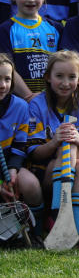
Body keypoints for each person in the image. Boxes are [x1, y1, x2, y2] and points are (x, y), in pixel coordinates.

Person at [17, 51, 79, 237]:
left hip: (72, 171)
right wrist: (55, 141)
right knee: (67, 145)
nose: (66, 83)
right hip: (42, 172)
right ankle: (59, 219)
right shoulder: (37, 105)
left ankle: (74, 230)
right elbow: (34, 153)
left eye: (72, 77)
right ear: (48, 77)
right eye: (59, 76)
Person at [0, 0, 62, 99]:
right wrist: (29, 97)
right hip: (19, 101)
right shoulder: (5, 29)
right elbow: (7, 70)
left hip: (51, 100)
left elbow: (63, 66)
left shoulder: (56, 28)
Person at [0, 54, 38, 232]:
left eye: (7, 79)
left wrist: (12, 172)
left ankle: (36, 230)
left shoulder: (21, 106)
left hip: (8, 163)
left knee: (30, 185)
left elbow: (20, 145)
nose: (2, 85)